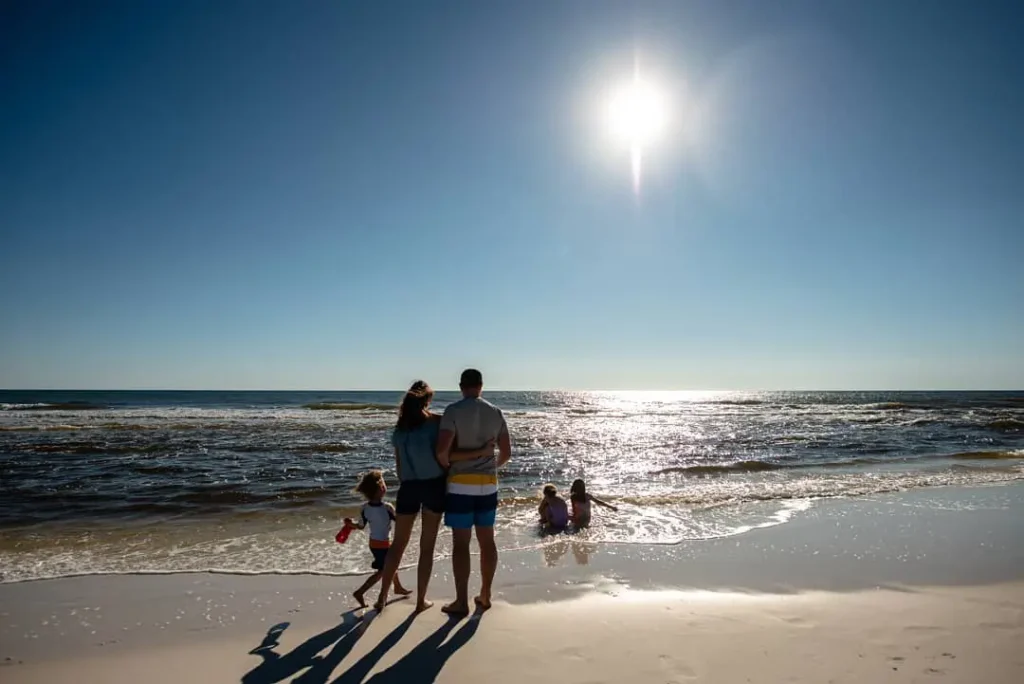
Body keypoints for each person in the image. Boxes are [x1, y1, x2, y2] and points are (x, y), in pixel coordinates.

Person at [373, 380, 493, 612]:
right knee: (426, 546)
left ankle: (382, 597)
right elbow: (445, 453)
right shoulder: (436, 422)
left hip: (407, 487)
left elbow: (398, 469)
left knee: (398, 544)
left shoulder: (399, 429)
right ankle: (420, 601)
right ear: (427, 401)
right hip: (433, 486)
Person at [436, 368, 512, 614]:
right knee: (487, 542)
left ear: (461, 386)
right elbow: (506, 454)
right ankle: (486, 594)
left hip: (460, 485)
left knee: (461, 544)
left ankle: (461, 601)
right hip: (488, 485)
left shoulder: (453, 411)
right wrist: (489, 466)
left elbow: (441, 453)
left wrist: (452, 467)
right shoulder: (496, 413)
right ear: (481, 385)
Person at [346, 470, 411, 608]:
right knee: (384, 570)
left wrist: (350, 524)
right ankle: (360, 592)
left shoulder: (364, 508)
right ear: (381, 488)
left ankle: (398, 587)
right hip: (383, 544)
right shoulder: (387, 508)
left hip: (373, 544)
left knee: (390, 565)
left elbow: (361, 526)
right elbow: (399, 522)